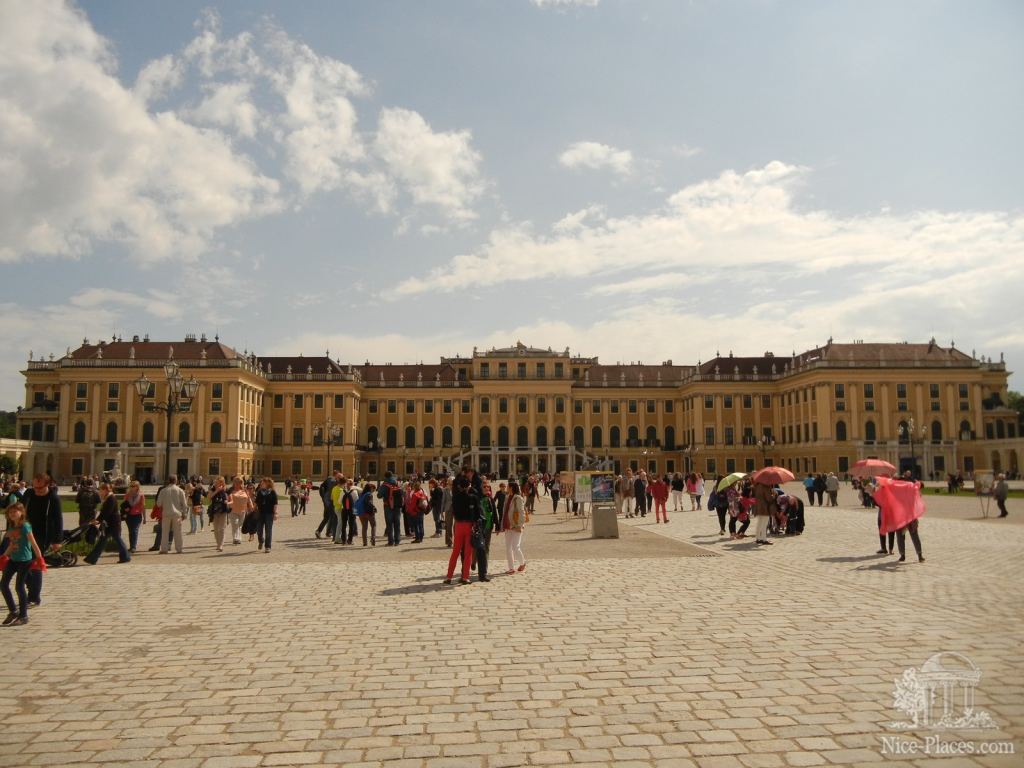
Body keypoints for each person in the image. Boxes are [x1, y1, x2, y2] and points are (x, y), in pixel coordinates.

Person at [1, 503, 44, 626]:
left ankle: (23, 616)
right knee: (3, 585)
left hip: (25, 561)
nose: (12, 514)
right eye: (10, 512)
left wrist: (40, 559)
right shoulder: (12, 527)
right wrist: (3, 557)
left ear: (21, 513)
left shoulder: (25, 526)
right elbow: (12, 544)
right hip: (13, 560)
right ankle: (13, 611)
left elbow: (33, 543)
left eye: (15, 511)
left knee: (19, 587)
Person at [22, 473, 62, 607]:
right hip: (26, 533)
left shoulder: (53, 498)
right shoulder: (28, 494)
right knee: (21, 564)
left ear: (47, 485)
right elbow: (19, 510)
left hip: (43, 535)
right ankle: (31, 587)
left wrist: (57, 540)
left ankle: (34, 597)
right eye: (35, 487)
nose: (37, 490)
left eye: (40, 488)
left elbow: (58, 520)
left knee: (35, 564)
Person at [444, 475, 480, 585]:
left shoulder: (455, 497)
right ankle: (465, 577)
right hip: (469, 526)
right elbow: (477, 514)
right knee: (468, 553)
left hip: (458, 525)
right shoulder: (473, 497)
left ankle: (449, 576)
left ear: (459, 486)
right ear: (469, 486)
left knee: (455, 552)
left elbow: (454, 511)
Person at [85, 482, 131, 564]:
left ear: (105, 490)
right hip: (108, 523)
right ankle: (92, 559)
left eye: (100, 490)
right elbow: (104, 512)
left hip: (113, 523)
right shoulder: (107, 498)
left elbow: (107, 512)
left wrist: (98, 520)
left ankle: (125, 557)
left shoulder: (111, 498)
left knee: (117, 539)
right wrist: (97, 519)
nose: (99, 492)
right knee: (103, 540)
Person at [501, 480, 527, 574]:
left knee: (515, 547)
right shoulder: (507, 497)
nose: (507, 488)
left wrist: (520, 525)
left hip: (516, 525)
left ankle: (522, 562)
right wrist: (502, 525)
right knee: (508, 548)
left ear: (511, 488)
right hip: (508, 525)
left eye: (508, 486)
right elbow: (505, 512)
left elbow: (522, 512)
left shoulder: (518, 498)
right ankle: (511, 568)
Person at [157, 475, 188, 554]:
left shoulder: (163, 490)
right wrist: (184, 513)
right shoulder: (180, 490)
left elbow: (158, 504)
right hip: (177, 514)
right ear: (176, 481)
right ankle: (179, 548)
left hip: (166, 513)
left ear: (168, 480)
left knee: (165, 532)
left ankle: (164, 549)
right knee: (178, 532)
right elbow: (184, 504)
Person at [377, 472, 404, 546]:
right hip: (398, 506)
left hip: (388, 506)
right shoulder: (398, 483)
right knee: (397, 523)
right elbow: (402, 493)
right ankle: (397, 541)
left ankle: (391, 541)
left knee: (389, 524)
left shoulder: (385, 485)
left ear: (385, 476)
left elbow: (379, 495)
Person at [254, 477, 278, 552]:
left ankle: (268, 546)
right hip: (260, 513)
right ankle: (261, 540)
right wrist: (253, 509)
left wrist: (275, 513)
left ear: (268, 484)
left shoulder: (273, 492)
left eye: (263, 483)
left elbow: (275, 504)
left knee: (268, 531)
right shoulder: (259, 492)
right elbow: (256, 502)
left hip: (269, 514)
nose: (261, 484)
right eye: (261, 483)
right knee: (259, 530)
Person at [207, 476, 230, 552]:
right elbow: (209, 497)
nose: (218, 484)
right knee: (216, 528)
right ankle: (218, 543)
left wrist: (227, 501)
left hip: (223, 510)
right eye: (217, 482)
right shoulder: (213, 489)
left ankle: (221, 545)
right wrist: (216, 491)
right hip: (214, 511)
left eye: (220, 482)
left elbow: (229, 498)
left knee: (222, 528)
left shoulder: (225, 489)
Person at [122, 480, 146, 553]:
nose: (131, 487)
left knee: (134, 530)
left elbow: (143, 507)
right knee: (130, 531)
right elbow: (123, 504)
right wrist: (124, 509)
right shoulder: (127, 495)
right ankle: (131, 546)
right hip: (129, 515)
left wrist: (145, 518)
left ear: (137, 487)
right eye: (131, 486)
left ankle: (133, 547)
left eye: (133, 486)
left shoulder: (141, 495)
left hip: (137, 515)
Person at [752, 481, 776, 545]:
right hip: (764, 508)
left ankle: (758, 538)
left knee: (759, 523)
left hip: (758, 507)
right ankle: (764, 539)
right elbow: (769, 499)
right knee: (764, 524)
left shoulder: (757, 486)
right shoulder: (766, 487)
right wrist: (773, 495)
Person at [227, 476, 249, 545]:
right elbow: (227, 499)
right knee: (235, 524)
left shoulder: (244, 490)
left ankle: (239, 538)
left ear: (241, 483)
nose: (237, 483)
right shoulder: (230, 490)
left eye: (239, 482)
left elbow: (248, 498)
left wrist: (251, 506)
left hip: (243, 510)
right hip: (233, 510)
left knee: (240, 525)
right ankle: (235, 538)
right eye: (235, 482)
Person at [315, 473, 337, 539]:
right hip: (330, 502)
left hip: (326, 502)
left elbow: (321, 487)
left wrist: (323, 498)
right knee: (332, 517)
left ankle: (319, 531)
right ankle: (329, 532)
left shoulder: (328, 480)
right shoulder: (333, 481)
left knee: (327, 517)